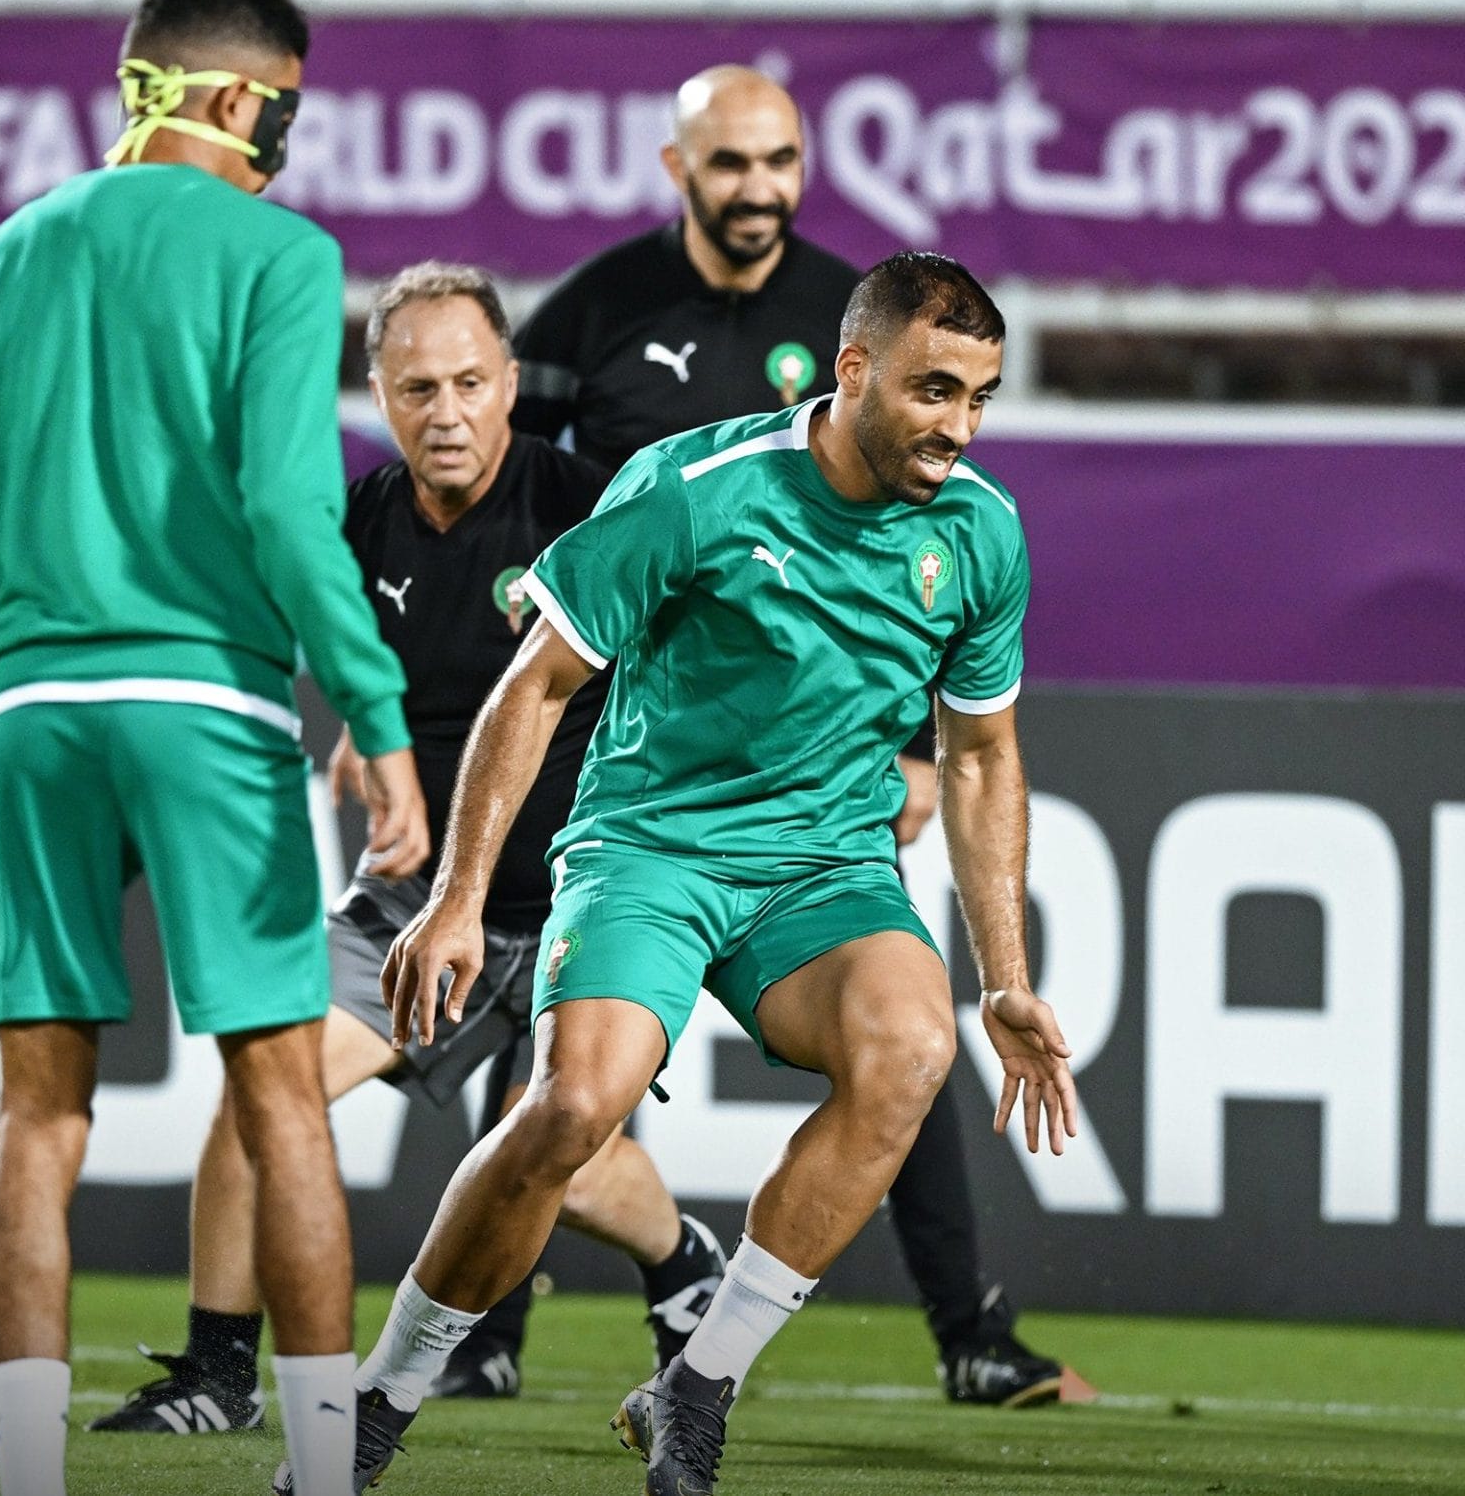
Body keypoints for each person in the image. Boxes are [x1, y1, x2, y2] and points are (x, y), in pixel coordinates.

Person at [276, 251, 1078, 1495]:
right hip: (651, 841)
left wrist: (1007, 977)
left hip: (824, 869)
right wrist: (458, 897)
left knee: (910, 1050)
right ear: (855, 368)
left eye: (979, 397)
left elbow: (980, 758)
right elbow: (533, 685)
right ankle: (374, 1410)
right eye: (933, 391)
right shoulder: (695, 488)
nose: (958, 428)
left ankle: (693, 1389)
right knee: (571, 1108)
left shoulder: (982, 532)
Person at [0, 0, 428, 1496]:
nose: (288, 137)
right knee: (274, 1096)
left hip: (38, 711)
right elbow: (284, 508)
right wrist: (375, 712)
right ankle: (320, 1475)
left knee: (37, 1118)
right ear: (242, 99)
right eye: (288, 109)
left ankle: (27, 1478)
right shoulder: (282, 254)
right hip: (209, 705)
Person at [485, 62, 1068, 1410]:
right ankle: (490, 1323)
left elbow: (928, 641)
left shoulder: (862, 318)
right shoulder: (596, 308)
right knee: (555, 1054)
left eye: (782, 161)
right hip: (613, 727)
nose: (761, 188)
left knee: (901, 1036)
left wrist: (919, 751)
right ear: (678, 167)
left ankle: (964, 1326)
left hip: (808, 776)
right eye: (732, 162)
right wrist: (502, 658)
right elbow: (522, 498)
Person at [83, 262, 727, 1430]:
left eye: (472, 383)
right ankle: (218, 1374)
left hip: (580, 905)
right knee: (262, 1084)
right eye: (419, 387)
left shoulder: (593, 508)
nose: (449, 412)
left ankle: (682, 1261)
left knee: (563, 1158)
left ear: (511, 383)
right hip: (418, 903)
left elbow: (714, 656)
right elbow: (230, 641)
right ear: (378, 392)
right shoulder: (353, 523)